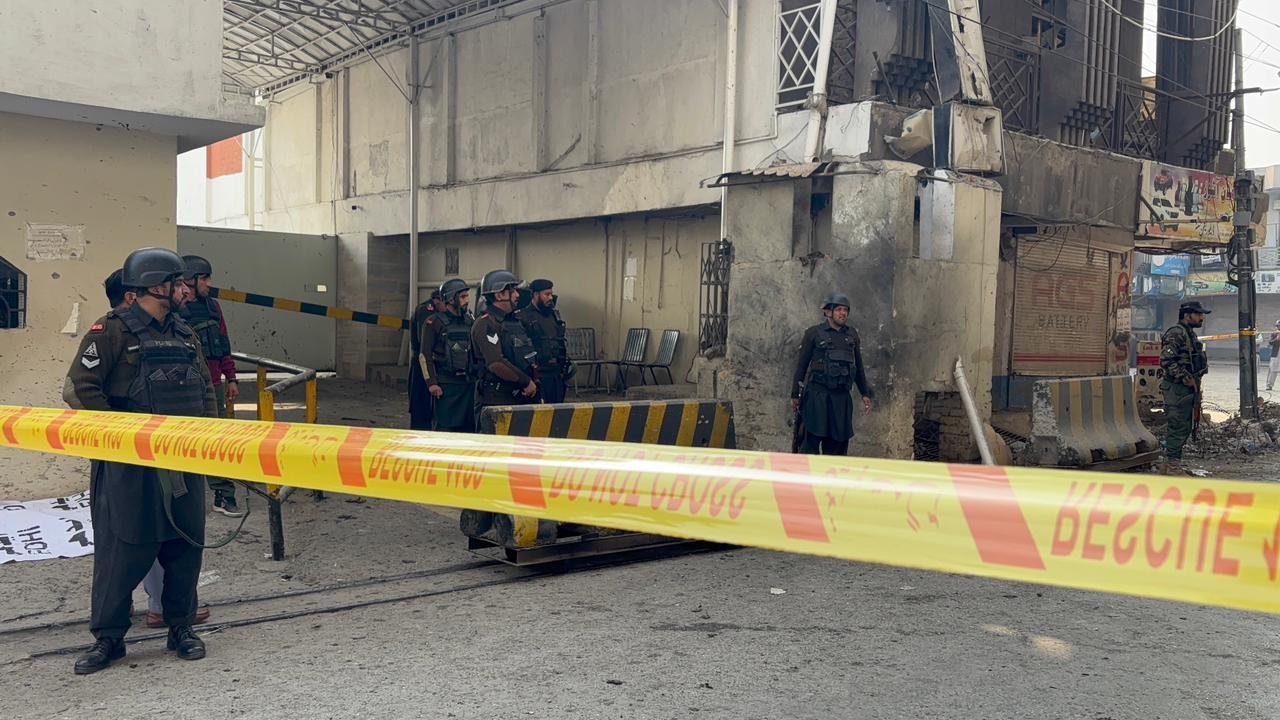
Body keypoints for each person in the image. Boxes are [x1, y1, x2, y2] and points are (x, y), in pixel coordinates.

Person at [65, 248, 215, 674]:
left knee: (185, 546)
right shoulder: (109, 331)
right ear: (156, 286)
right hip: (129, 467)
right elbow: (79, 390)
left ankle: (181, 627)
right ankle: (109, 639)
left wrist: (214, 441)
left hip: (182, 461)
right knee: (122, 550)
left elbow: (204, 392)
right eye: (177, 283)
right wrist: (123, 436)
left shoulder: (186, 333)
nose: (184, 289)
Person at [179, 255, 243, 517]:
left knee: (218, 440)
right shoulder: (174, 310)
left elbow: (223, 344)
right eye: (204, 278)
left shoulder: (214, 308)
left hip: (214, 384)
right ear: (189, 280)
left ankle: (223, 494)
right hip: (182, 386)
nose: (209, 283)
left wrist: (233, 378)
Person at [790, 293, 873, 456]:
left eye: (846, 310)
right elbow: (801, 366)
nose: (843, 313)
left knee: (838, 449)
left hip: (841, 400)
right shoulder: (813, 333)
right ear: (828, 312)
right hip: (816, 397)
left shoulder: (852, 335)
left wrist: (865, 393)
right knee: (809, 446)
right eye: (839, 309)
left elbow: (858, 366)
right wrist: (795, 395)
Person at [1160, 300, 1210, 474]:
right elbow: (1166, 361)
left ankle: (1169, 466)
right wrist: (1185, 378)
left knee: (1185, 426)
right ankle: (1173, 467)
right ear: (1187, 315)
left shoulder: (1189, 334)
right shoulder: (1176, 333)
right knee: (1178, 427)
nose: (1201, 317)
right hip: (1177, 388)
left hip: (1188, 387)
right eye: (1198, 314)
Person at [421, 279, 475, 432]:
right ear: (451, 299)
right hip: (446, 386)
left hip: (468, 385)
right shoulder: (433, 322)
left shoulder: (470, 321)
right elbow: (425, 355)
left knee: (469, 430)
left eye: (467, 296)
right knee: (445, 430)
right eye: (463, 297)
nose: (467, 300)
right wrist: (432, 383)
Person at [517, 278, 573, 404]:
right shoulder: (523, 317)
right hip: (537, 378)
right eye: (546, 294)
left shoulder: (553, 316)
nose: (550, 298)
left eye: (551, 294)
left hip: (556, 376)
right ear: (536, 295)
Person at [408, 290, 443, 430]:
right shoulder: (426, 311)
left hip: (429, 361)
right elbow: (425, 342)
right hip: (422, 361)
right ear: (437, 300)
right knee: (421, 403)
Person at [1268, 320, 1280, 392]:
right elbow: (1270, 342)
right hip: (1276, 353)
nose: (1278, 327)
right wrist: (1277, 339)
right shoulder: (1274, 333)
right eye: (1277, 326)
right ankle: (1269, 385)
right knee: (1273, 370)